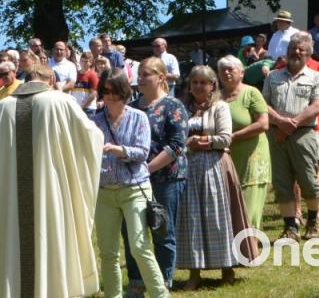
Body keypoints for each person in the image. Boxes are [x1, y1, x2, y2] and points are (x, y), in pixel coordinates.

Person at [0, 63, 103, 297]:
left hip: (10, 195)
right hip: (50, 191)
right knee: (49, 233)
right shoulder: (59, 101)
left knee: (13, 235)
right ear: (51, 78)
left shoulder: (2, 108)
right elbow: (90, 137)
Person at [91, 72, 168, 298]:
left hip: (134, 189)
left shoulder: (138, 117)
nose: (110, 96)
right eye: (105, 91)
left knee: (139, 246)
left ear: (124, 91)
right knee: (108, 252)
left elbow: (143, 152)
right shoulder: (94, 121)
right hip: (104, 192)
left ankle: (160, 294)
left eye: (114, 90)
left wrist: (119, 150)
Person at [177, 66, 245, 290]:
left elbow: (226, 138)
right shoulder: (183, 108)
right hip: (188, 168)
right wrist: (188, 144)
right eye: (194, 82)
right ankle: (194, 272)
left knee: (218, 217)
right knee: (192, 219)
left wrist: (202, 142)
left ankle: (227, 268)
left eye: (203, 82)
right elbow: (177, 138)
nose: (198, 86)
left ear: (212, 85)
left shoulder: (220, 107)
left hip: (213, 165)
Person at [125, 57, 188, 293]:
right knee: (133, 234)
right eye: (139, 74)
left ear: (161, 77)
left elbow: (176, 146)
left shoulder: (174, 106)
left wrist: (147, 168)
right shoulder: (131, 107)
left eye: (146, 74)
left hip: (166, 179)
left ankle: (162, 284)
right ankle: (137, 284)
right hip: (132, 182)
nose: (140, 79)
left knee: (162, 231)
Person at [263, 33, 319, 241]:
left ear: (308, 54)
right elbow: (263, 104)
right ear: (287, 51)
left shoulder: (315, 77)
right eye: (293, 48)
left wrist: (292, 123)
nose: (296, 52)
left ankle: (312, 220)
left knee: (309, 180)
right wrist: (280, 122)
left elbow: (318, 105)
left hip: (304, 134)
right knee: (282, 182)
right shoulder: (273, 77)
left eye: (301, 49)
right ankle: (290, 227)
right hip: (277, 135)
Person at [217, 56, 270, 232]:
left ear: (241, 72)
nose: (226, 72)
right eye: (222, 69)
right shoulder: (217, 97)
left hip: (252, 157)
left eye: (230, 69)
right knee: (229, 203)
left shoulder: (251, 92)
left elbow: (263, 124)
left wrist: (233, 136)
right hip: (226, 159)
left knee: (249, 205)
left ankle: (249, 246)